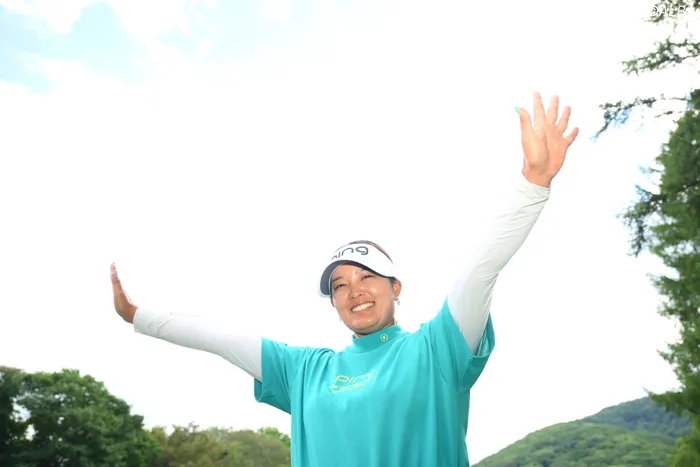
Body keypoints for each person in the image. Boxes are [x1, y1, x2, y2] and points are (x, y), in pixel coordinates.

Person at [110, 92, 579, 467]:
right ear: (334, 303)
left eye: (367, 276)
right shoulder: (305, 371)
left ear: (396, 288)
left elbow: (477, 272)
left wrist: (533, 183)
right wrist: (138, 316)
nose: (354, 290)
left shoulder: (438, 349)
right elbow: (222, 338)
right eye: (339, 285)